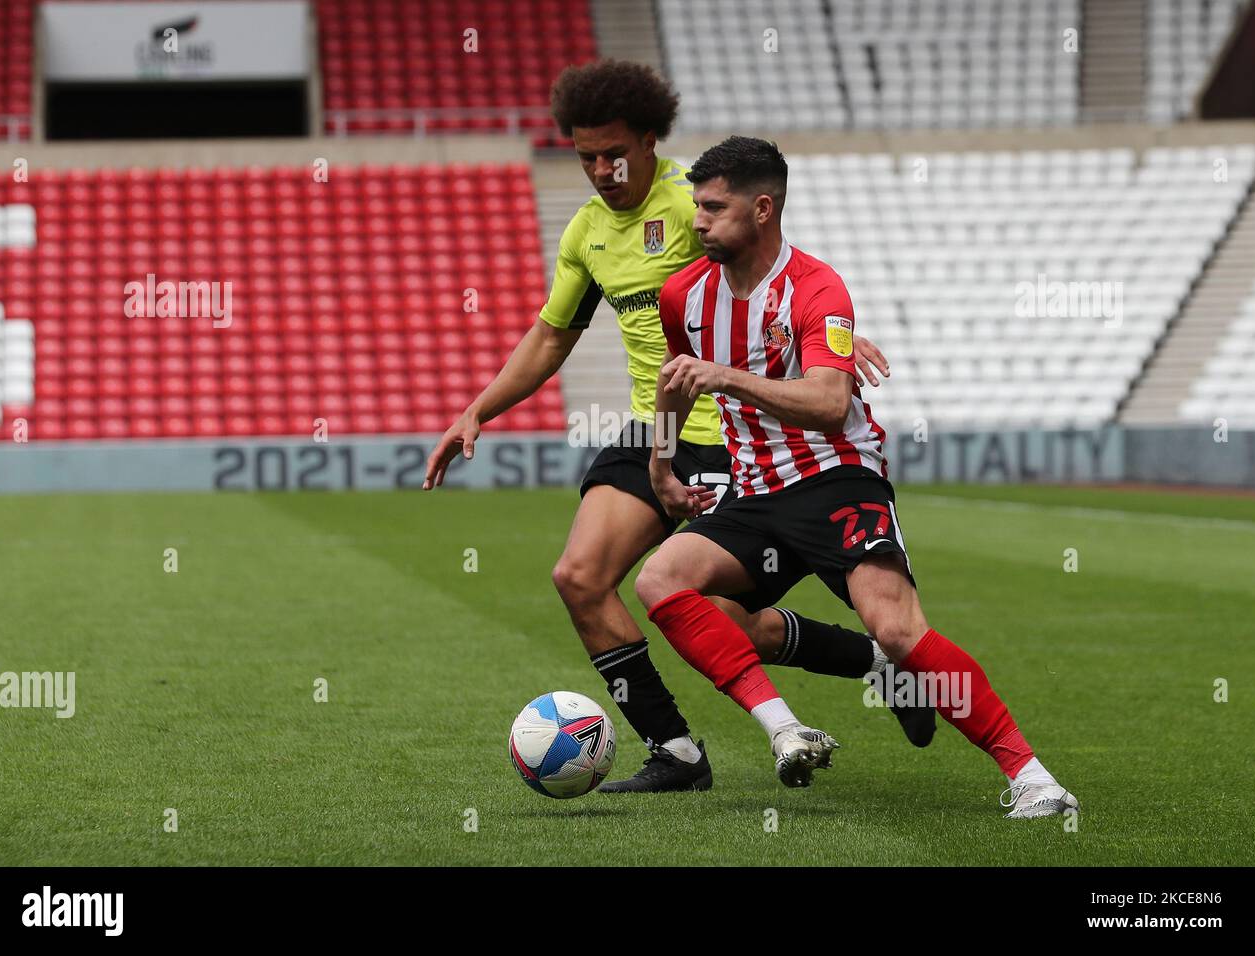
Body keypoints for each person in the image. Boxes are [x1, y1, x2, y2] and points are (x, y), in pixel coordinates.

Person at [423, 62, 932, 793]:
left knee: (729, 620)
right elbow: (550, 336)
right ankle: (677, 752)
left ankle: (880, 665)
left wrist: (841, 340)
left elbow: (777, 269)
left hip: (736, 437)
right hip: (653, 432)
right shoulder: (587, 233)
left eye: (615, 153)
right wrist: (477, 409)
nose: (601, 170)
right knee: (579, 577)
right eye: (586, 156)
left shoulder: (693, 203)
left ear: (649, 138)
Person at [636, 135, 1078, 815]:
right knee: (667, 584)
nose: (697, 221)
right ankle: (789, 729)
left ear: (761, 209)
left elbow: (828, 403)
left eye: (713, 208)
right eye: (696, 206)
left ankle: (1034, 778)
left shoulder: (817, 288)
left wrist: (728, 375)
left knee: (898, 628)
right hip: (753, 490)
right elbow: (675, 383)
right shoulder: (683, 296)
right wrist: (662, 468)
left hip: (836, 477)